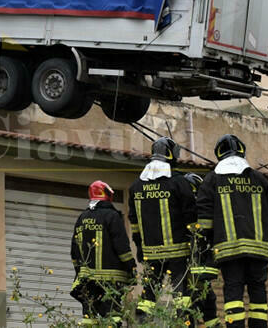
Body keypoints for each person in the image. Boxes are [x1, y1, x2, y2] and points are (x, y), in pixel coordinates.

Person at [197, 135, 268, 328]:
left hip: (228, 251)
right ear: (242, 151)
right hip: (259, 251)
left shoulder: (212, 180)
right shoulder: (260, 179)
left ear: (219, 154)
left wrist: (205, 249)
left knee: (233, 293)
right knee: (258, 291)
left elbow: (204, 220)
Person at [129, 137, 197, 315]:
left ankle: (141, 324)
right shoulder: (179, 183)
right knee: (181, 297)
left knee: (148, 296)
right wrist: (195, 245)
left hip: (151, 254)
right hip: (178, 254)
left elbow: (134, 224)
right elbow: (191, 216)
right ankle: (183, 325)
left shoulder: (136, 186)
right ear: (171, 156)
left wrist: (140, 249)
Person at [70, 180, 136, 324]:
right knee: (112, 316)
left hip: (87, 281)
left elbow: (74, 252)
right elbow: (122, 247)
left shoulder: (82, 218)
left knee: (90, 317)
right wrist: (131, 267)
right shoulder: (112, 216)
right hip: (110, 282)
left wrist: (79, 272)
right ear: (107, 194)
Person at [183, 172, 220, 326]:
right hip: (201, 269)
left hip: (189, 271)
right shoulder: (203, 209)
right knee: (206, 305)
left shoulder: (184, 210)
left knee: (192, 307)